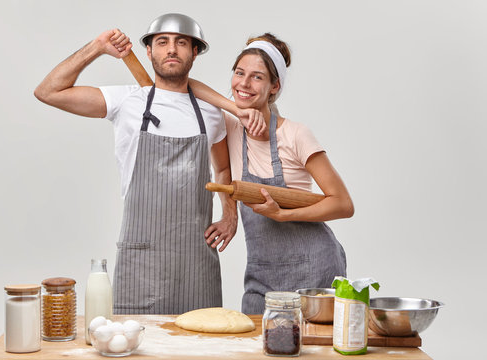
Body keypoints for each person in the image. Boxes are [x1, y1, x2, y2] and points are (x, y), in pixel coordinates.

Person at [34, 13, 259, 314]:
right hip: (141, 261)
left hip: (195, 261)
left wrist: (230, 215)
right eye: (162, 42)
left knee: (201, 347)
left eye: (181, 43)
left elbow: (222, 170)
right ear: (149, 51)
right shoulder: (127, 101)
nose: (171, 50)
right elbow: (48, 91)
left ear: (194, 52)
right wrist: (98, 46)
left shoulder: (211, 112)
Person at [190, 33, 354, 314]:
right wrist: (235, 110)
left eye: (257, 77)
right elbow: (188, 85)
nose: (243, 83)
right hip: (262, 273)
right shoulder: (229, 125)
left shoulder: (295, 135)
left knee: (313, 354)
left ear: (274, 86)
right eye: (239, 73)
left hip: (313, 267)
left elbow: (342, 203)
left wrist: (284, 214)